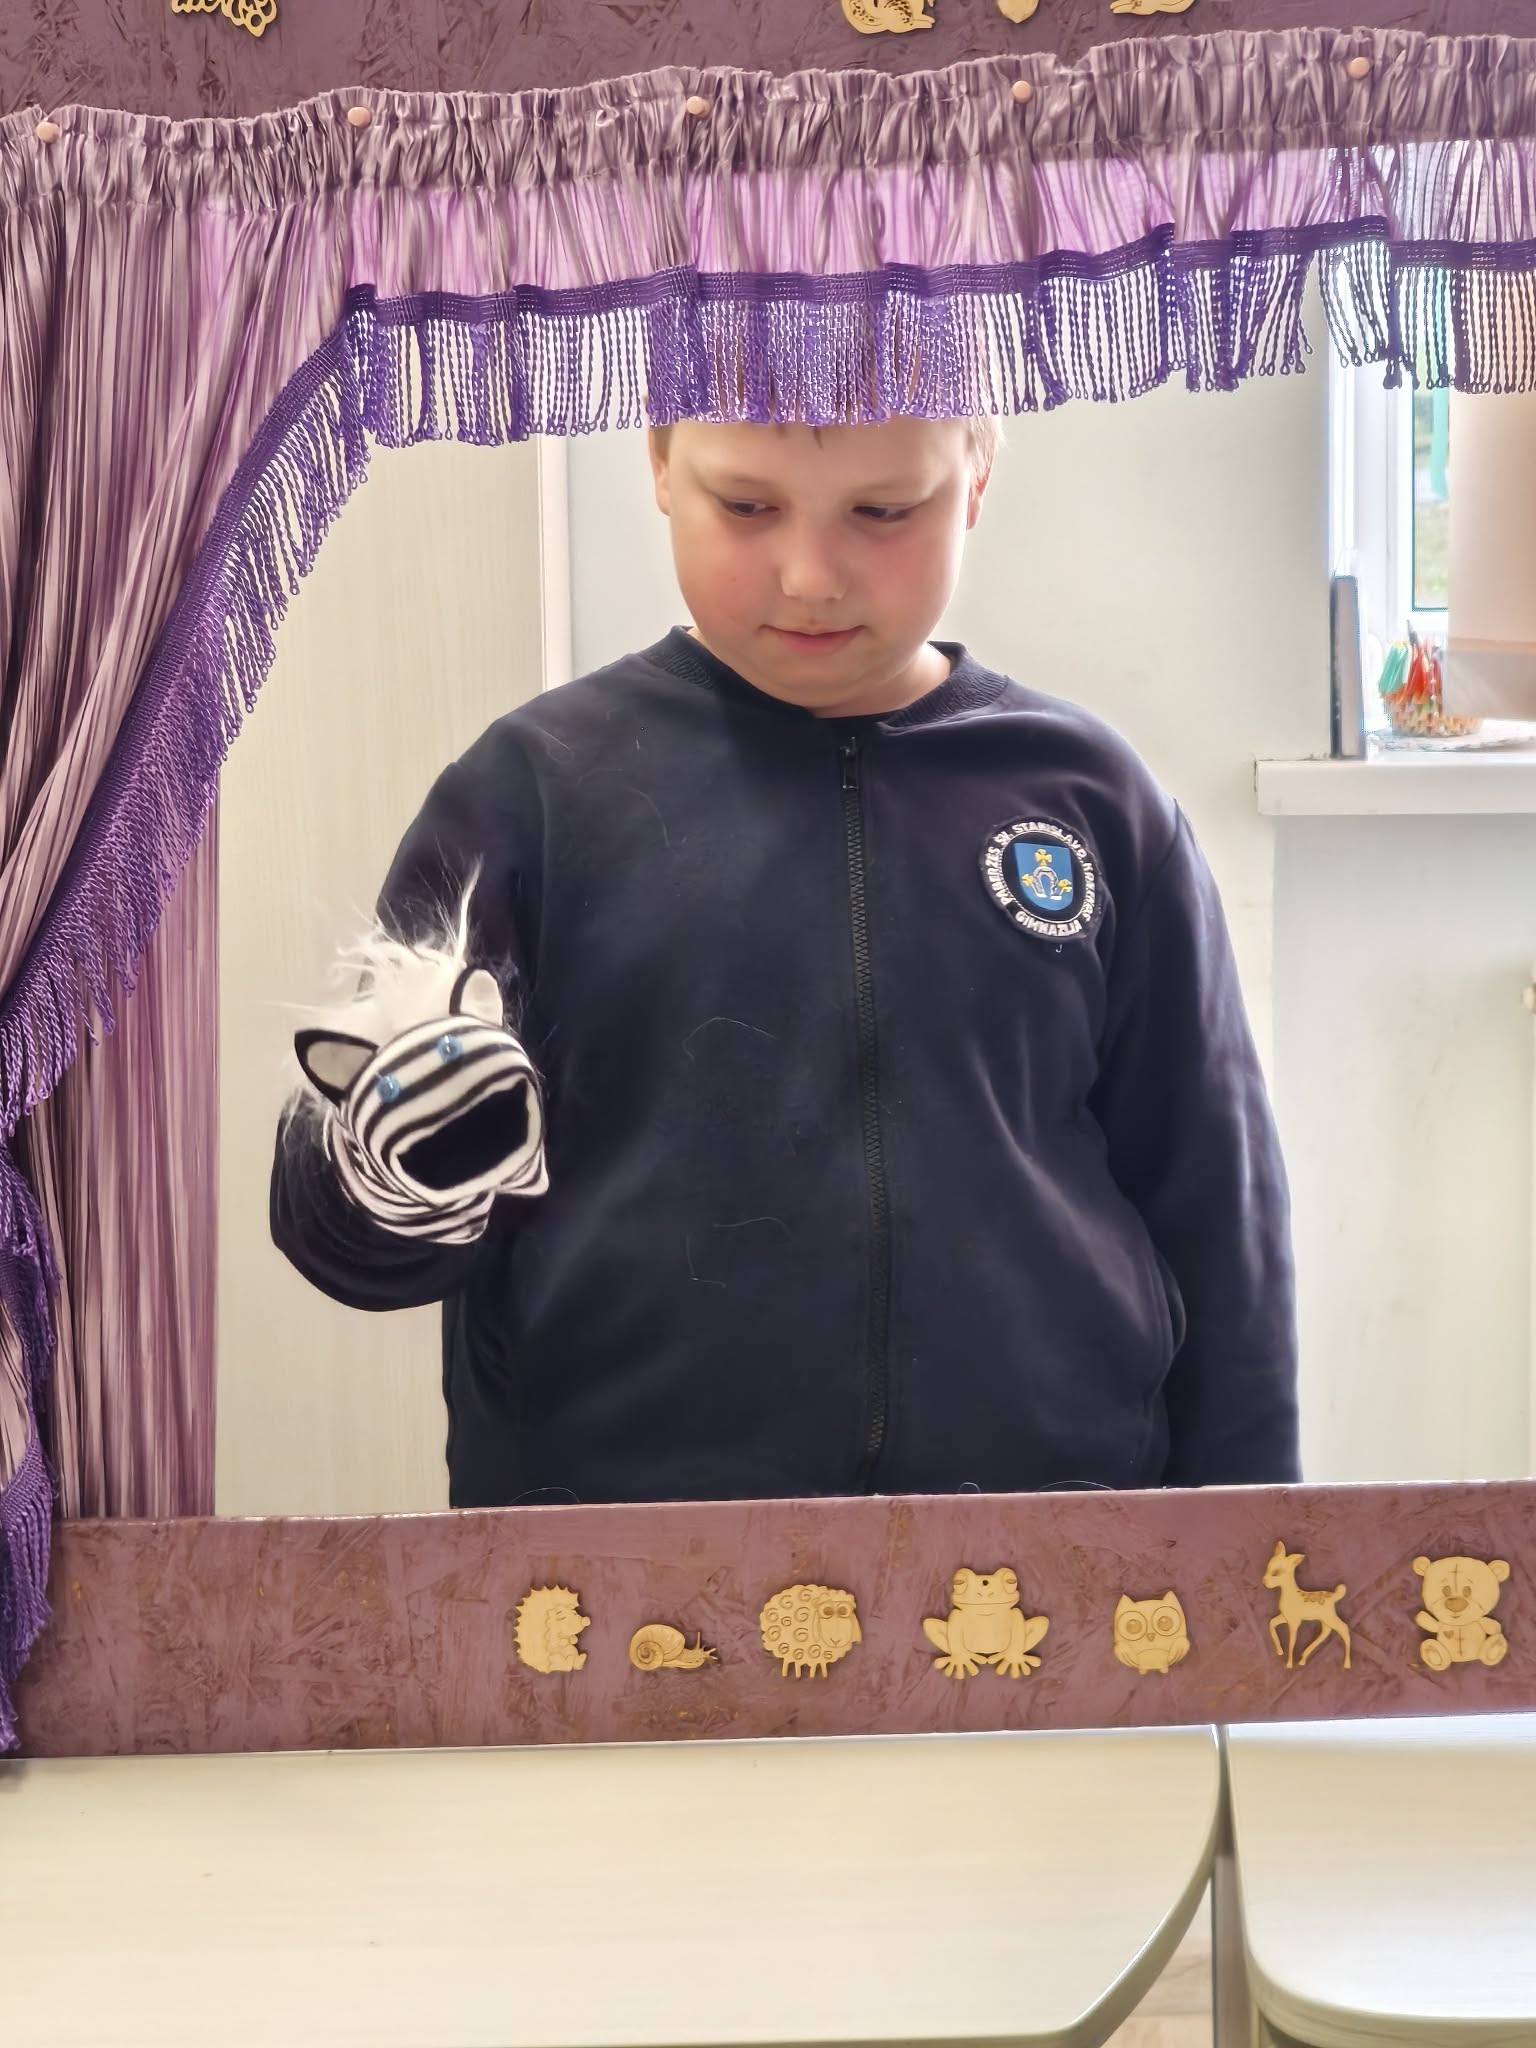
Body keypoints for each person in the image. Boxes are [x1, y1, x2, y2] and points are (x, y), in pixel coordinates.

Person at [271, 412, 1299, 1508]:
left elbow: (1219, 1213)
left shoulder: (1094, 800)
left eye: (883, 511)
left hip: (1046, 1537)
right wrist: (395, 1165)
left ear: (977, 470)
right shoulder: (529, 794)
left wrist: (1250, 1547)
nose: (810, 577)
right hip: (615, 1549)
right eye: (747, 505)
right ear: (662, 462)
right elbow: (346, 1232)